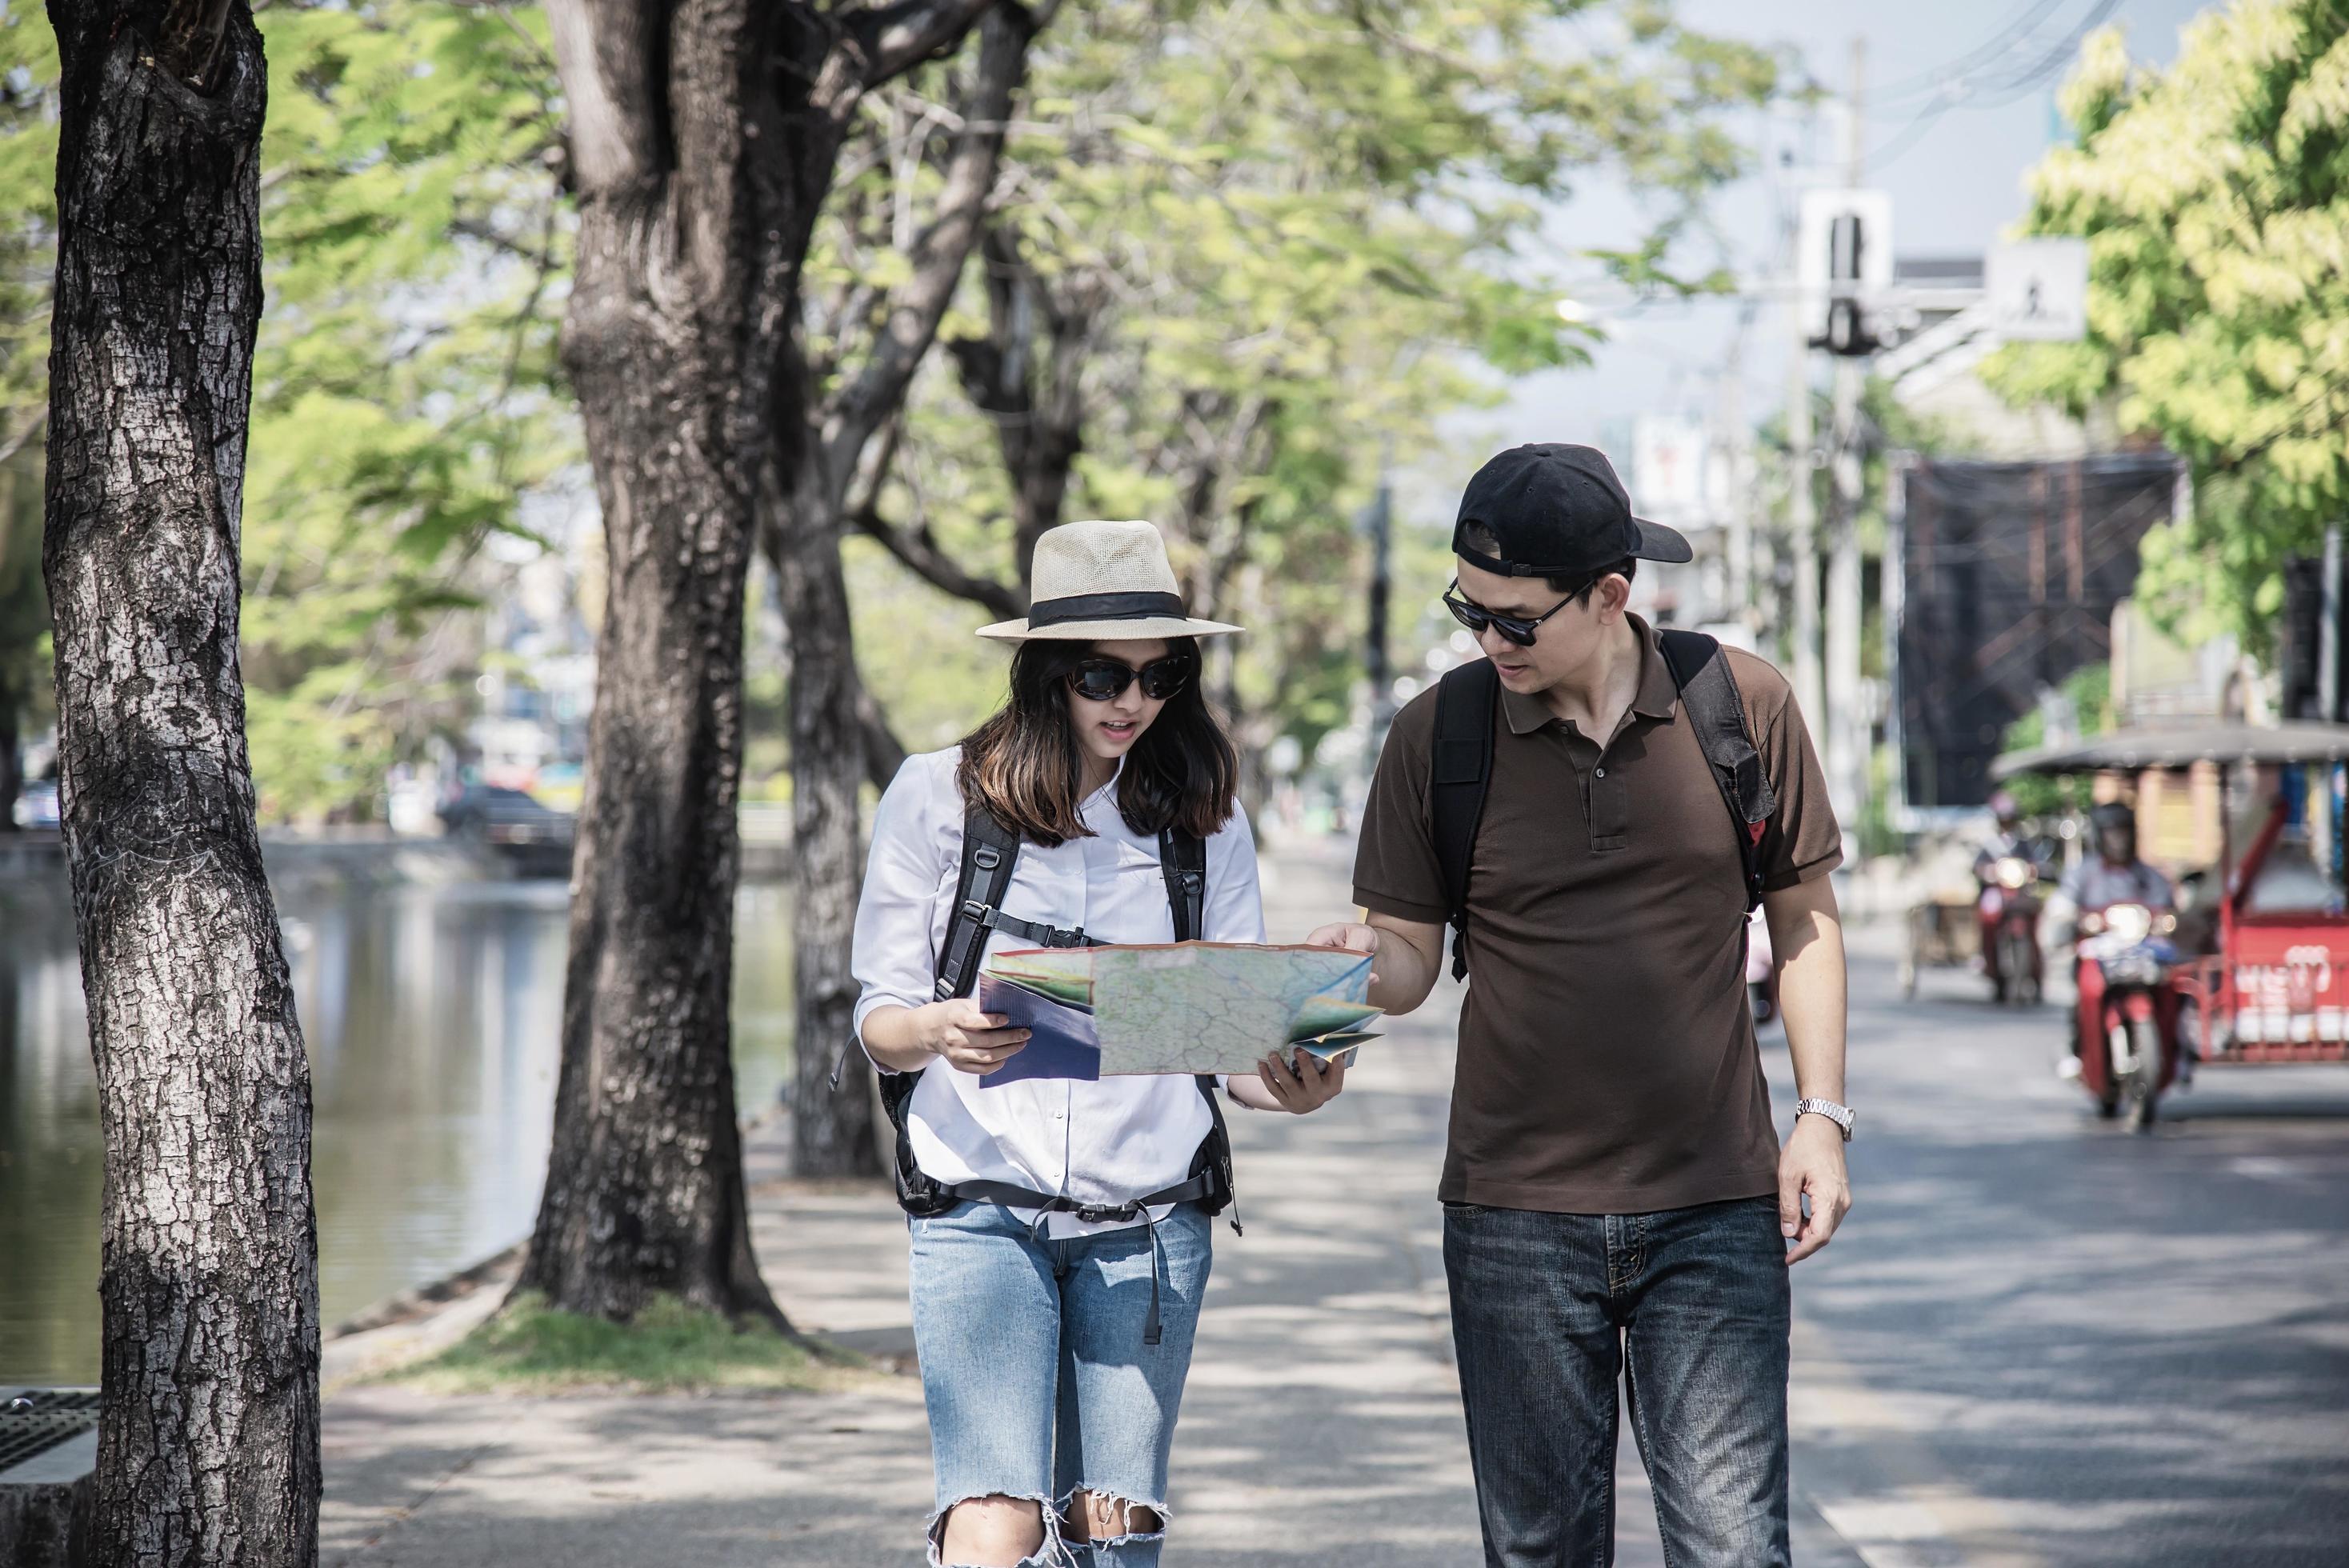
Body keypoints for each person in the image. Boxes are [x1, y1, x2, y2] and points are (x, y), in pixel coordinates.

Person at [1308, 443, 1853, 1567]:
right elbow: (1409, 963)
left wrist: (1822, 1116)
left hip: (1713, 1211)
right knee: (1542, 1553)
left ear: (1611, 596)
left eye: (1515, 620)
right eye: (1470, 610)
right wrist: (1337, 978)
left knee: (1737, 1548)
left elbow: (1802, 918)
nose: (1487, 640)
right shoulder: (1438, 736)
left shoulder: (1738, 704)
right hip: (1514, 1220)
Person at [851, 519, 1347, 1568]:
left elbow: (1228, 1039)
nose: (1132, 701)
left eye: (1162, 673)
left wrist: (1295, 1082)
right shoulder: (939, 799)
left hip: (1151, 1224)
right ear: (1043, 675)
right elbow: (882, 1022)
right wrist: (936, 1030)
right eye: (1100, 675)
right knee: (995, 1518)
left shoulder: (1206, 821)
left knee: (1111, 1529)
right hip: (979, 1206)